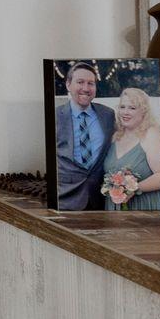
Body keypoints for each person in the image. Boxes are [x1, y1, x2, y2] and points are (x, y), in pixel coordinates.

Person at [54, 62, 115, 210]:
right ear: (68, 85)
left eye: (91, 83)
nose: (86, 88)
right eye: (80, 82)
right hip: (65, 197)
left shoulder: (107, 114)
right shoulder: (55, 116)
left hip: (100, 198)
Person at [100, 86, 160, 211]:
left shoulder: (150, 134)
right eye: (122, 107)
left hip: (144, 206)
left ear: (144, 112)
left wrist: (132, 189)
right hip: (114, 208)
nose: (125, 112)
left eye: (132, 108)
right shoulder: (115, 136)